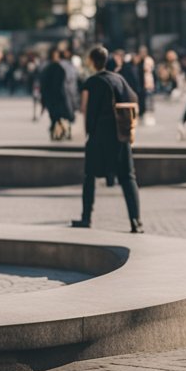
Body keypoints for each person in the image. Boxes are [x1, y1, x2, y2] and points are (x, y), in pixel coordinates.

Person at [71, 46, 143, 233]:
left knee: (90, 176)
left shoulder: (92, 82)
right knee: (128, 177)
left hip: (99, 136)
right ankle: (136, 221)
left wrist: (87, 130)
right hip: (121, 135)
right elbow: (134, 99)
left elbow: (84, 109)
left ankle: (86, 217)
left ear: (92, 61)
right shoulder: (119, 79)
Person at [39, 48, 75, 141]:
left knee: (56, 115)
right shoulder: (52, 67)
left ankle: (58, 130)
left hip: (56, 96)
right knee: (56, 115)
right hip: (55, 96)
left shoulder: (52, 67)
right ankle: (60, 130)